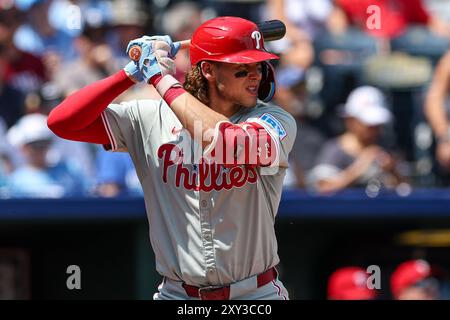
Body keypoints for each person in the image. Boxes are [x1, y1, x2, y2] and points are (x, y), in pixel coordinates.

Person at [47, 17, 296, 300]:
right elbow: (63, 122)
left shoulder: (273, 120)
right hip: (177, 294)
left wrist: (160, 79)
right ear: (208, 70)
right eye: (242, 69)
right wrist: (130, 72)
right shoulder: (151, 117)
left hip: (256, 294)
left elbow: (223, 140)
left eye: (259, 66)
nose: (256, 76)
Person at [307, 86, 407, 194]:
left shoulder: (387, 150)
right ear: (350, 121)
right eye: (368, 124)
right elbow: (322, 189)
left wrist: (393, 171)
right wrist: (360, 167)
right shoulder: (333, 151)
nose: (374, 130)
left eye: (377, 125)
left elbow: (406, 191)